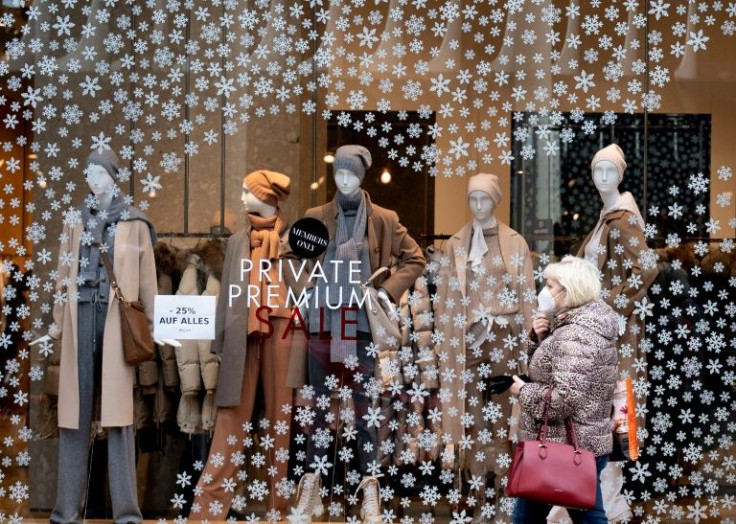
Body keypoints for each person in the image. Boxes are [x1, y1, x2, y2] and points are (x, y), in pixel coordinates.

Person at [30, 148, 177, 524]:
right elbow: (64, 275)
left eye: (99, 172)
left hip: (114, 322)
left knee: (119, 418)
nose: (92, 179)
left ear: (113, 175)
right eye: (88, 172)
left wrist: (160, 326)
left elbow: (147, 283)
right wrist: (56, 324)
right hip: (80, 319)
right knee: (74, 417)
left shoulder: (135, 223)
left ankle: (127, 512)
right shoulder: (73, 221)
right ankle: (65, 512)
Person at [280, 144, 426, 524]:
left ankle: (369, 492)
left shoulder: (383, 219)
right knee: (319, 410)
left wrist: (385, 290)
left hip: (360, 327)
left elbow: (416, 258)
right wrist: (307, 290)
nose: (343, 179)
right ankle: (311, 490)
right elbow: (288, 257)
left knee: (365, 412)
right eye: (339, 173)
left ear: (361, 176)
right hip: (323, 324)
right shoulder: (316, 216)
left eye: (351, 173)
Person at [190, 170, 295, 521]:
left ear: (265, 196)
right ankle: (208, 510)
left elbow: (306, 290)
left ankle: (276, 511)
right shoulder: (237, 241)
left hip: (283, 330)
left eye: (246, 191)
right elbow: (226, 298)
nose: (241, 196)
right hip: (243, 335)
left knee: (280, 421)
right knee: (230, 419)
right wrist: (220, 340)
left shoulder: (294, 240)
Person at [434, 173, 535, 523]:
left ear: (496, 200)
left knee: (506, 420)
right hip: (468, 340)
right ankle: (477, 498)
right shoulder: (456, 243)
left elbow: (526, 296)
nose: (478, 206)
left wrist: (530, 343)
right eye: (472, 199)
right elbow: (445, 298)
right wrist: (445, 342)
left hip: (504, 337)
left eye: (484, 199)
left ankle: (506, 497)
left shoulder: (514, 242)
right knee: (473, 420)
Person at [509, 256, 618, 524]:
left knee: (529, 518)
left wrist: (522, 391)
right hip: (576, 441)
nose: (544, 292)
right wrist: (540, 339)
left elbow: (565, 396)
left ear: (569, 291)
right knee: (586, 515)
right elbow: (556, 368)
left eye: (550, 285)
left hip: (567, 444)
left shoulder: (576, 334)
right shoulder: (576, 325)